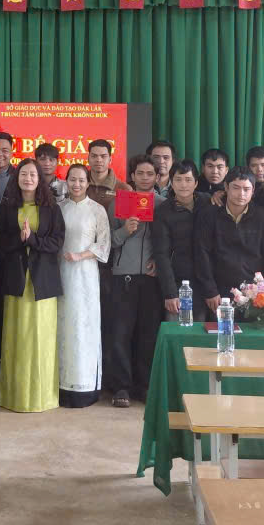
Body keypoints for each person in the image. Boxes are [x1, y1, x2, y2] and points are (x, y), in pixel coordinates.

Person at [0, 160, 66, 413]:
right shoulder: (6, 208)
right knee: (16, 339)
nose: (28, 178)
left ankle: (43, 396)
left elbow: (57, 242)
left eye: (32, 174)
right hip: (15, 279)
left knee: (42, 339)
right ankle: (13, 396)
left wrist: (33, 240)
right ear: (16, 178)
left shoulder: (51, 208)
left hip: (42, 281)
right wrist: (20, 238)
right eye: (23, 174)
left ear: (40, 179)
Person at [104, 156, 165, 407]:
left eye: (150, 174)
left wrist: (160, 262)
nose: (145, 178)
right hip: (123, 278)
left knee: (148, 334)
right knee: (120, 334)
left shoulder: (163, 205)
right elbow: (106, 242)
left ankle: (145, 385)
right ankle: (121, 387)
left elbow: (171, 243)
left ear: (157, 177)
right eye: (140, 173)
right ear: (132, 176)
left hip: (151, 280)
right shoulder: (118, 203)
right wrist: (124, 231)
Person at [57, 164, 111, 408]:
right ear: (66, 181)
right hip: (60, 274)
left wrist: (80, 255)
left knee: (84, 327)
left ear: (88, 183)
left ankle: (85, 387)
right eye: (72, 179)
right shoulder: (59, 208)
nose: (76, 184)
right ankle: (61, 385)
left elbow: (104, 245)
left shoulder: (97, 210)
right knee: (63, 326)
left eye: (81, 180)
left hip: (86, 276)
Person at [194, 168, 264, 314]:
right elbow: (202, 254)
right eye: (236, 188)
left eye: (246, 189)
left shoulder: (263, 218)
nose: (241, 194)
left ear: (253, 191)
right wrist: (210, 290)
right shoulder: (209, 215)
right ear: (226, 187)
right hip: (218, 292)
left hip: (254, 293)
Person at [153, 159, 210, 320]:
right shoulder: (163, 212)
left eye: (188, 180)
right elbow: (161, 255)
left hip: (208, 281)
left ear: (196, 183)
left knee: (206, 330)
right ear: (171, 183)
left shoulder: (208, 202)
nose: (183, 185)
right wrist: (170, 293)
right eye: (178, 180)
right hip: (180, 282)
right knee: (179, 327)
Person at [85, 138, 130, 211]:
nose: (98, 160)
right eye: (94, 156)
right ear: (88, 159)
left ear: (110, 159)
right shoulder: (78, 185)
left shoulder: (124, 189)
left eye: (103, 156)